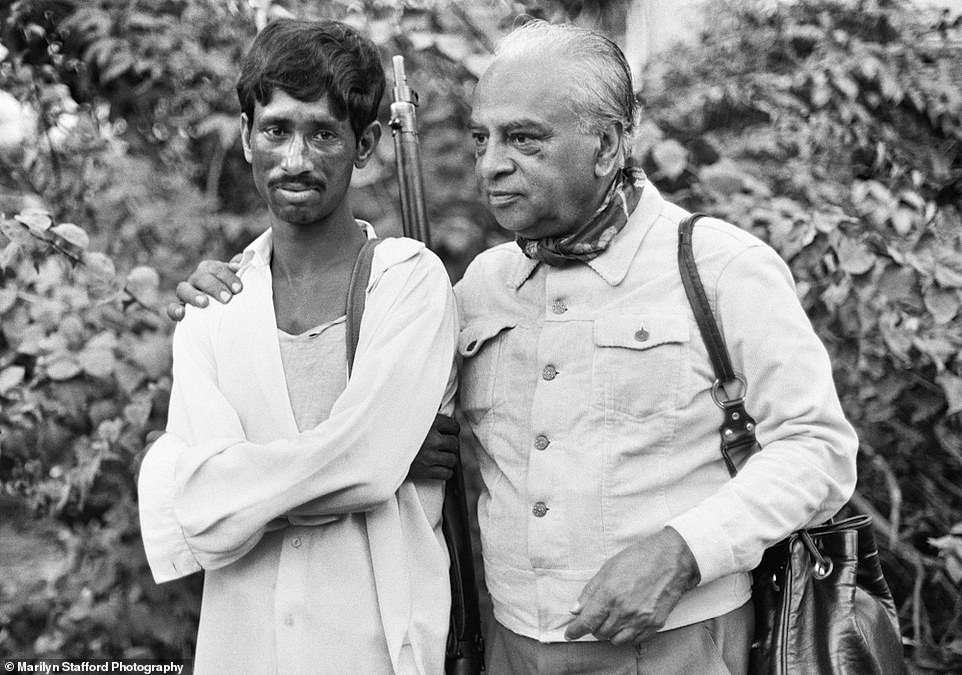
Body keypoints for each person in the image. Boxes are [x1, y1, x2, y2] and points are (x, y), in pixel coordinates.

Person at [171, 21, 859, 675]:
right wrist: (232, 288)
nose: (493, 166)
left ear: (609, 145)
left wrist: (685, 549)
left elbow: (818, 450)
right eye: (481, 139)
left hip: (676, 643)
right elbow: (385, 416)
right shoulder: (483, 287)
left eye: (525, 139)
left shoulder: (717, 266)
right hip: (509, 648)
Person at [138, 18, 459, 675]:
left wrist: (229, 482)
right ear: (250, 137)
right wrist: (366, 456)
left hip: (373, 649)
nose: (295, 159)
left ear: (365, 144)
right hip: (242, 648)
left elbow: (362, 467)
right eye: (276, 129)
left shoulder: (407, 281)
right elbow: (199, 513)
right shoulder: (213, 311)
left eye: (323, 132)